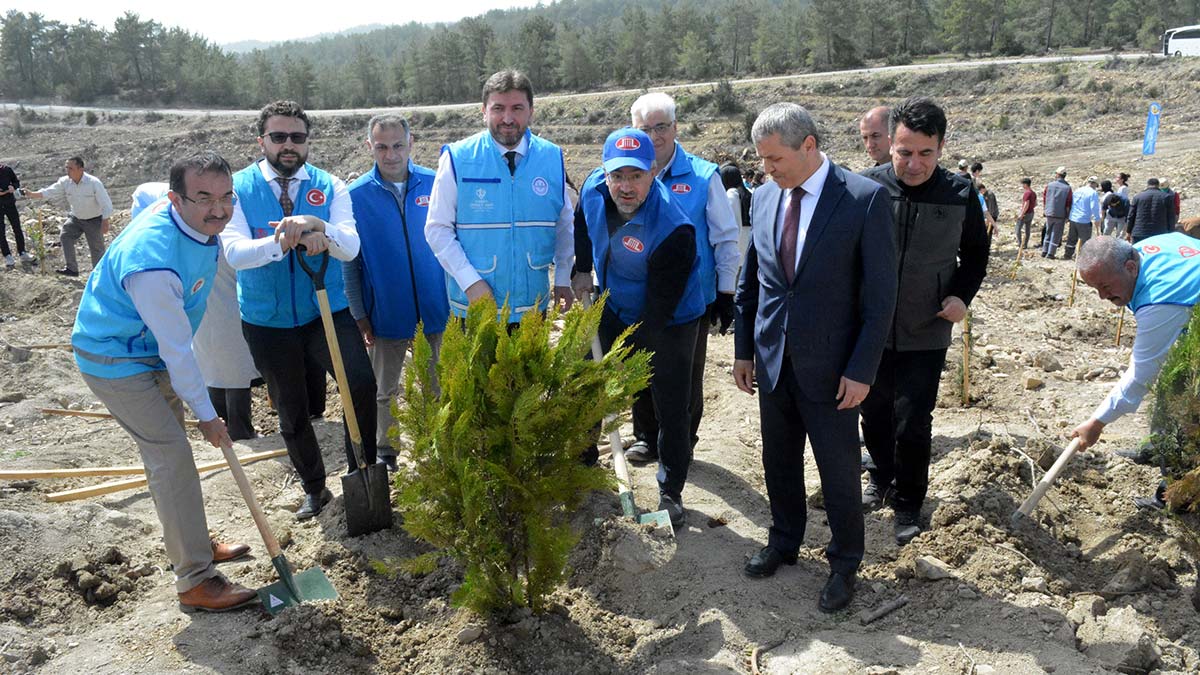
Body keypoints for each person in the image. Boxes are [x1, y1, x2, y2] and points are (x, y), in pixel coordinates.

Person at [70, 152, 255, 612]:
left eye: (225, 196)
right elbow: (179, 352)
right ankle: (194, 579)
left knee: (171, 458)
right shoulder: (152, 264)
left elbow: (143, 194)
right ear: (177, 199)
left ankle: (191, 541)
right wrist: (210, 417)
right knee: (171, 456)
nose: (218, 209)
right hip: (114, 358)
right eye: (204, 199)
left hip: (149, 350)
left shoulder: (180, 212)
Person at [734, 102, 897, 613]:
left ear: (809, 146)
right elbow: (750, 282)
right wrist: (744, 349)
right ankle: (784, 541)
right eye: (762, 160)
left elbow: (880, 298)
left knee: (839, 470)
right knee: (778, 460)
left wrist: (861, 370)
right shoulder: (763, 198)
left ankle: (845, 561)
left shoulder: (863, 199)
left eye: (775, 158)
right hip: (773, 359)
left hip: (833, 370)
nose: (767, 170)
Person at [221, 100, 377, 521]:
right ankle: (314, 487)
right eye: (279, 137)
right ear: (262, 141)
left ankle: (362, 472)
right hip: (266, 320)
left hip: (325, 309)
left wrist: (320, 226)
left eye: (297, 137)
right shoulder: (237, 189)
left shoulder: (330, 187)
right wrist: (283, 241)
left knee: (359, 385)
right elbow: (235, 252)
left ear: (307, 142)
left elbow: (350, 244)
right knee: (291, 409)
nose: (288, 145)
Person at [861, 97, 990, 545]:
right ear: (889, 145)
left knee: (913, 417)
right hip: (871, 326)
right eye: (904, 152)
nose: (914, 164)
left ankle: (909, 502)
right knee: (873, 410)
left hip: (927, 326)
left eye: (925, 153)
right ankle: (880, 478)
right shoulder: (868, 188)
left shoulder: (959, 193)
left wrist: (960, 295)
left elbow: (976, 254)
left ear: (941, 147)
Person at [575, 127, 706, 526]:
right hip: (613, 299)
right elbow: (582, 223)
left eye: (635, 175)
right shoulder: (593, 189)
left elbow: (656, 313)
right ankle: (581, 465)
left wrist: (627, 369)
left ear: (653, 171)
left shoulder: (673, 228)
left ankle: (671, 492)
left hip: (670, 318)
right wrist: (581, 269)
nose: (625, 186)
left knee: (669, 404)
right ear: (604, 173)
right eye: (617, 176)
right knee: (584, 378)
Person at [626, 92, 740, 463]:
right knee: (640, 366)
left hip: (691, 299)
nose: (655, 135)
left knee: (685, 374)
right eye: (646, 128)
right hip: (636, 295)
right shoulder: (623, 176)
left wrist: (725, 292)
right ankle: (646, 435)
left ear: (675, 127)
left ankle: (682, 441)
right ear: (634, 130)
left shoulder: (704, 176)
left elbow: (725, 239)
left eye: (662, 127)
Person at [425, 69, 580, 326]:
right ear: (483, 111)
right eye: (498, 108)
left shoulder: (552, 157)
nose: (507, 118)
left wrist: (563, 277)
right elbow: (437, 229)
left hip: (532, 308)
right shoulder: (457, 158)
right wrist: (470, 282)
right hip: (475, 309)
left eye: (517, 108)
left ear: (531, 110)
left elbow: (564, 224)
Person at [345, 114, 449, 472]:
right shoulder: (356, 196)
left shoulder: (436, 184)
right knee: (385, 389)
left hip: (437, 307)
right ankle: (387, 450)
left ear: (411, 143)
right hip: (386, 312)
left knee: (439, 382)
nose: (390, 155)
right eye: (382, 147)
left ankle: (441, 440)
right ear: (369, 147)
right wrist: (359, 313)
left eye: (397, 145)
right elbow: (350, 262)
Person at [1071, 233, 1200, 510]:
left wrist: (1096, 423)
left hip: (1182, 301)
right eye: (1095, 289)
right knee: (1172, 377)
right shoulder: (1140, 251)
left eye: (1105, 286)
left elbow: (1141, 375)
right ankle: (1157, 448)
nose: (1103, 296)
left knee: (1187, 409)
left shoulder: (1162, 298)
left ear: (1130, 268)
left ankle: (1177, 498)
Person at [23, 157, 113, 276]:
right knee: (65, 236)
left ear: (81, 169)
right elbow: (50, 191)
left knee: (97, 249)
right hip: (76, 218)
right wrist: (32, 194)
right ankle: (72, 269)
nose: (68, 171)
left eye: (71, 168)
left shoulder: (93, 183)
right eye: (67, 168)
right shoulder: (65, 182)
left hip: (94, 220)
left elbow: (106, 203)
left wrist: (105, 221)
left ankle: (99, 275)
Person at [0, 161, 34, 267]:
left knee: (17, 228)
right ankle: (8, 256)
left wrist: (13, 187)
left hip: (10, 203)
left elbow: (16, 182)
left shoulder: (7, 170)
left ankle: (22, 252)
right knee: (1, 232)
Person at [1127, 177, 1177, 244]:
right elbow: (1171, 217)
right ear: (1158, 185)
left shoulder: (1138, 197)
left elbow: (1131, 215)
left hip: (1139, 233)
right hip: (1159, 233)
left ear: (1147, 185)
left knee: (1139, 253)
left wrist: (1128, 231)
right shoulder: (1166, 197)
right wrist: (1171, 232)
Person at [1064, 175, 1101, 260]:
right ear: (1094, 184)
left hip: (1073, 218)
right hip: (1084, 220)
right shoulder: (1093, 193)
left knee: (1071, 238)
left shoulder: (1078, 190)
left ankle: (1068, 254)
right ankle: (1082, 257)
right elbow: (1094, 207)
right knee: (1085, 241)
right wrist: (1097, 219)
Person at [719, 163, 752, 259]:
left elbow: (730, 221)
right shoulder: (748, 193)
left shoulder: (731, 194)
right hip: (747, 242)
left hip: (736, 245)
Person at [1041, 166, 1072, 258]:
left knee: (1048, 232)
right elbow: (1068, 203)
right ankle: (1051, 253)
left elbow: (1044, 198)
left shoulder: (1049, 185)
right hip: (1060, 214)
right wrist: (1067, 216)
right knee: (1056, 234)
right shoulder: (1067, 188)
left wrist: (1045, 210)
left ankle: (1044, 251)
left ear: (1057, 175)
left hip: (1049, 213)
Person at [1015, 177, 1036, 249]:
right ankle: (1025, 245)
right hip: (1031, 213)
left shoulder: (1027, 193)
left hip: (1025, 214)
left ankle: (1020, 244)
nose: (1022, 186)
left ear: (1026, 184)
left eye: (1023, 184)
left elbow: (1026, 204)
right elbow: (1035, 203)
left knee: (1017, 229)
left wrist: (1021, 214)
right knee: (1027, 229)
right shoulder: (1033, 193)